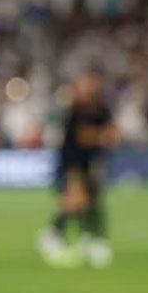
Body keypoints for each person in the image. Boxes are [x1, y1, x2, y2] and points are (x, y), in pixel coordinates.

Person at [39, 72, 117, 269]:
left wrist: (101, 136)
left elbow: (112, 133)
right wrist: (101, 136)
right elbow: (84, 137)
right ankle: (54, 235)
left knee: (90, 201)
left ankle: (87, 238)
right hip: (73, 162)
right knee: (75, 199)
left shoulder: (101, 109)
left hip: (92, 161)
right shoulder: (74, 111)